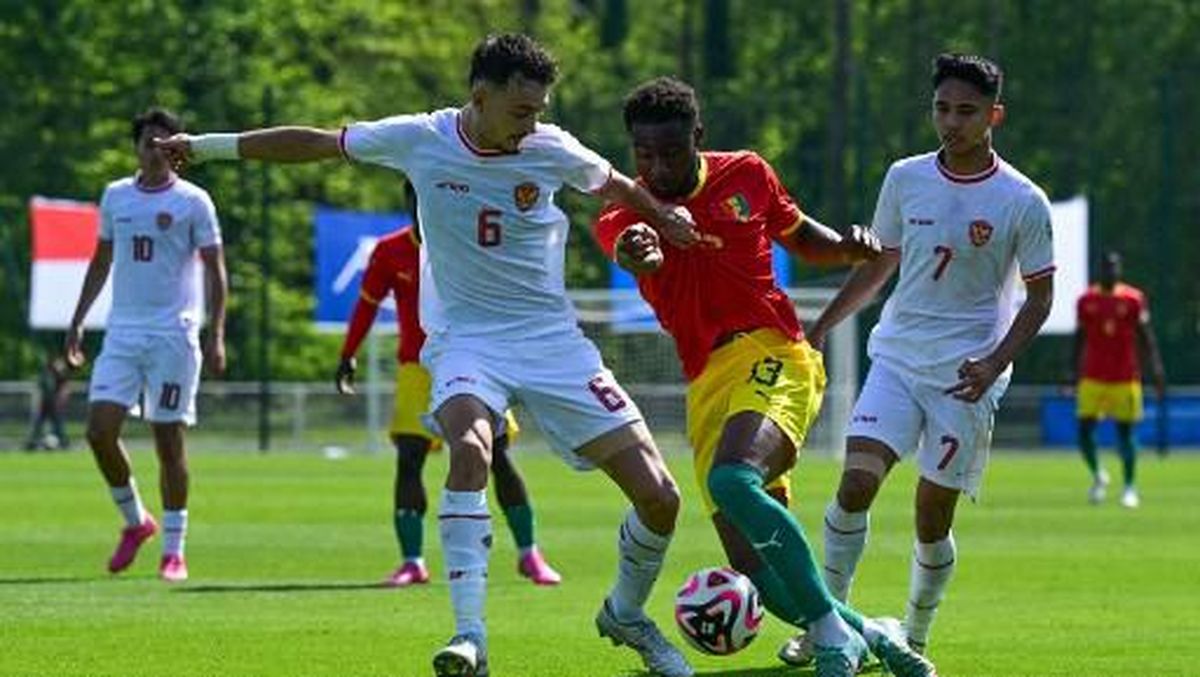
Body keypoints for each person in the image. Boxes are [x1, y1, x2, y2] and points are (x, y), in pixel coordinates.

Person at [159, 33, 700, 677]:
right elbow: (314, 143)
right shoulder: (420, 138)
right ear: (481, 96)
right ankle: (470, 637)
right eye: (522, 110)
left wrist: (665, 219)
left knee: (660, 497)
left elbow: (613, 184)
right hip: (466, 339)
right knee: (470, 449)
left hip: (552, 340)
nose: (534, 122)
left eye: (540, 109)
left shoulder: (550, 146)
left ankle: (626, 615)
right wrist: (207, 146)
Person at [594, 76, 936, 677]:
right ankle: (875, 636)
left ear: (697, 137)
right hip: (706, 383)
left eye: (670, 153)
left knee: (731, 480)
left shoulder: (747, 173)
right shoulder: (625, 209)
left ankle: (832, 641)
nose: (657, 167)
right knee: (763, 578)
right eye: (643, 155)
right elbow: (628, 245)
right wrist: (638, 251)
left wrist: (851, 247)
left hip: (774, 350)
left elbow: (804, 238)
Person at [788, 53, 1056, 661]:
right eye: (942, 108)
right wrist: (825, 323)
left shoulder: (1022, 199)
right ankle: (824, 627)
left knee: (931, 520)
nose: (951, 122)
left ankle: (914, 633)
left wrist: (992, 363)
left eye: (966, 111)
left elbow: (1040, 299)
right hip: (899, 359)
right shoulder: (904, 177)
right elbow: (881, 263)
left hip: (966, 378)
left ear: (995, 115)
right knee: (855, 483)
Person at [336, 181, 561, 587]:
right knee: (409, 460)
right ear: (408, 202)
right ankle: (412, 561)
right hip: (416, 371)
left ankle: (530, 554)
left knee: (499, 457)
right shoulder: (390, 251)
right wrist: (347, 353)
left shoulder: (470, 242)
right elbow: (366, 305)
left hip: (475, 362)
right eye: (416, 200)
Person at [65, 107, 228, 583]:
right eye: (146, 143)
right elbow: (100, 261)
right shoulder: (116, 196)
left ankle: (174, 551)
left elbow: (215, 269)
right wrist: (77, 322)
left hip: (174, 334)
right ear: (136, 148)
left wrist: (215, 332)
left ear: (175, 150)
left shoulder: (194, 201)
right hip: (123, 332)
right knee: (98, 430)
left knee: (167, 439)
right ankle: (137, 522)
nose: (154, 152)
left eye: (163, 144)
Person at [1072, 251, 1166, 508]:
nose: (1110, 271)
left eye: (1114, 267)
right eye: (1106, 267)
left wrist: (1156, 368)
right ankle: (1098, 474)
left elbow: (1146, 336)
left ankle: (1129, 487)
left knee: (1125, 433)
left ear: (1120, 269)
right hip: (1092, 376)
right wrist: (1072, 373)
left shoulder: (1133, 299)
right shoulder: (1086, 300)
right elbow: (1079, 338)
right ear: (1099, 270)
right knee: (1083, 432)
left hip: (1125, 376)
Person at [25, 350, 72, 451]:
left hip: (54, 404)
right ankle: (31, 443)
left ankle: (64, 443)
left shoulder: (61, 374)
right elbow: (39, 389)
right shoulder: (45, 372)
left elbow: (64, 389)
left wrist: (61, 399)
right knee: (37, 424)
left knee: (58, 425)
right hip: (43, 403)